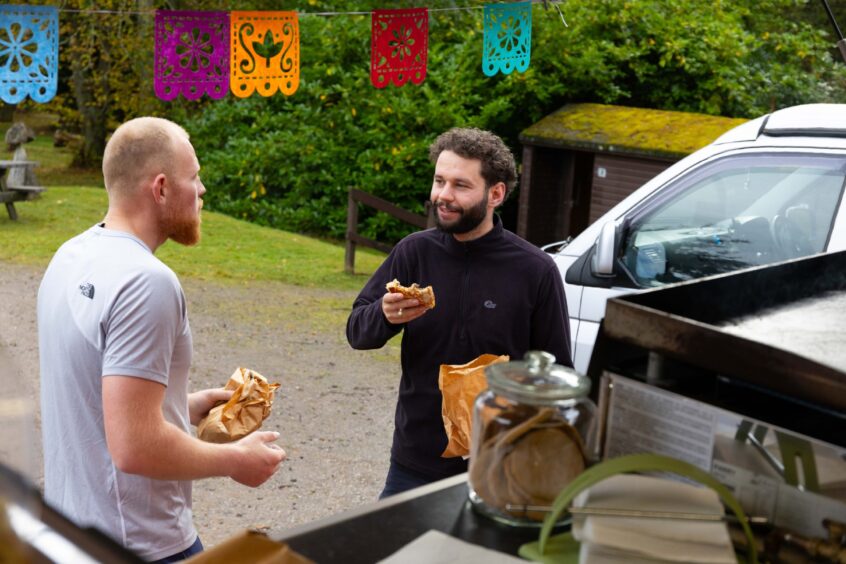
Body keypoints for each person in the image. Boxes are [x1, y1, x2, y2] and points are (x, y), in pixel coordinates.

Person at [37, 117, 287, 563]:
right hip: (138, 543)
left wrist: (181, 405)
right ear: (161, 188)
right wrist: (237, 460)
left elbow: (91, 391)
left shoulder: (70, 256)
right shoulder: (146, 282)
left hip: (73, 532)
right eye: (194, 177)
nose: (202, 189)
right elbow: (135, 445)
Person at [346, 127, 572, 498]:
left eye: (460, 186)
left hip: (500, 465)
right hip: (414, 461)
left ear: (495, 193)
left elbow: (558, 372)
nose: (443, 196)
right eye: (439, 181)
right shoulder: (413, 253)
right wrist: (384, 315)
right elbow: (357, 333)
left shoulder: (535, 270)